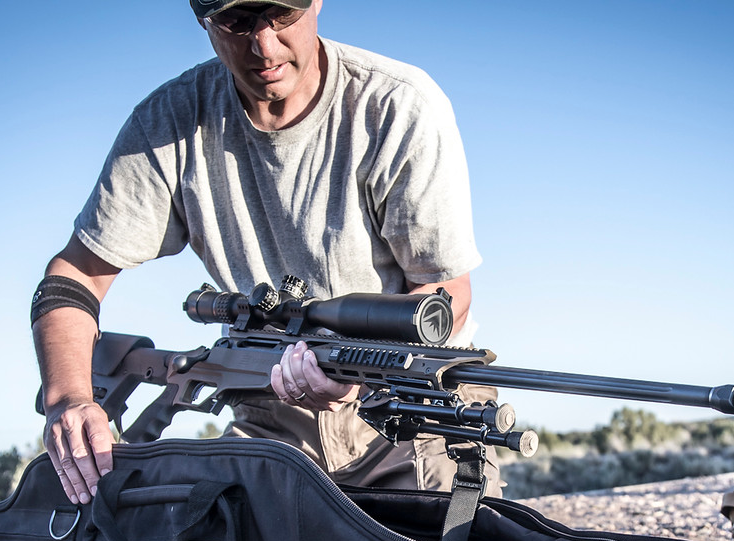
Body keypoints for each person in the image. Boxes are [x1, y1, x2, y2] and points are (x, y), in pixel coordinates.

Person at [32, 0, 497, 505]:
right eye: (237, 22)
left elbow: (445, 293)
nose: (264, 46)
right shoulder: (169, 121)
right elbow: (74, 276)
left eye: (281, 15)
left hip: (414, 404)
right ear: (202, 19)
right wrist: (70, 400)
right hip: (271, 410)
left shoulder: (396, 105)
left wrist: (354, 376)